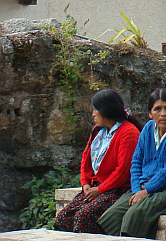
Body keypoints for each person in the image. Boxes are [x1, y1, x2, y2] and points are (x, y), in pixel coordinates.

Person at [98, 88, 166, 238]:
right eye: (157, 109)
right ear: (150, 114)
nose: (163, 113)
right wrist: (136, 190)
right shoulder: (147, 130)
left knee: (135, 214)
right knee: (112, 216)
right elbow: (136, 162)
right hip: (146, 188)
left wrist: (147, 191)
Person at [54, 89, 142, 233]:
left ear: (106, 110)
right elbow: (86, 159)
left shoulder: (128, 133)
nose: (93, 114)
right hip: (96, 187)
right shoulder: (97, 130)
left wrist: (99, 189)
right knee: (64, 217)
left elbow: (123, 171)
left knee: (84, 216)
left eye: (95, 109)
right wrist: (85, 183)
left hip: (117, 189)